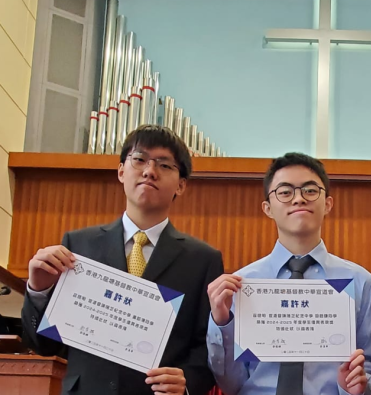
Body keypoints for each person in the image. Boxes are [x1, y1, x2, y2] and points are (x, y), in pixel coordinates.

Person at [21, 125, 223, 395]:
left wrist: (187, 382)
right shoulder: (78, 246)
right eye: (139, 159)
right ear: (120, 171)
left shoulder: (203, 260)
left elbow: (208, 346)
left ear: (181, 185)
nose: (150, 171)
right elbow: (44, 345)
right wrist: (38, 291)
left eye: (164, 165)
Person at [206, 152, 371, 395]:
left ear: (328, 204)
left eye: (310, 190)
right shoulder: (241, 284)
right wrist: (221, 322)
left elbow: (370, 365)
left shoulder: (360, 282)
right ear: (267, 208)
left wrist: (353, 386)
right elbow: (231, 384)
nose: (299, 199)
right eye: (285, 192)